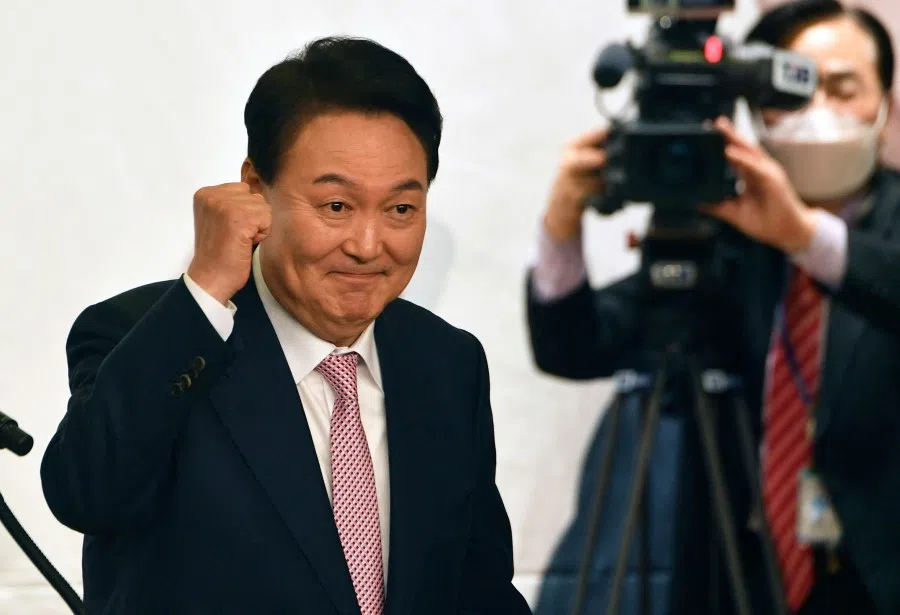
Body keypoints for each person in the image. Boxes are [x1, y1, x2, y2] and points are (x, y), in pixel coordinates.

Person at [41, 36, 532, 615]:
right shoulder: (150, 337)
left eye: (401, 208)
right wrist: (202, 293)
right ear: (254, 191)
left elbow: (480, 587)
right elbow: (87, 495)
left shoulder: (447, 362)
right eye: (336, 207)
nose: (368, 245)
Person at [526, 1, 900, 614]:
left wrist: (804, 237)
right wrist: (561, 230)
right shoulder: (731, 237)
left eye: (843, 87)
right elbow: (574, 347)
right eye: (798, 90)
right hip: (743, 577)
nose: (819, 112)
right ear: (758, 112)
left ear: (885, 105)